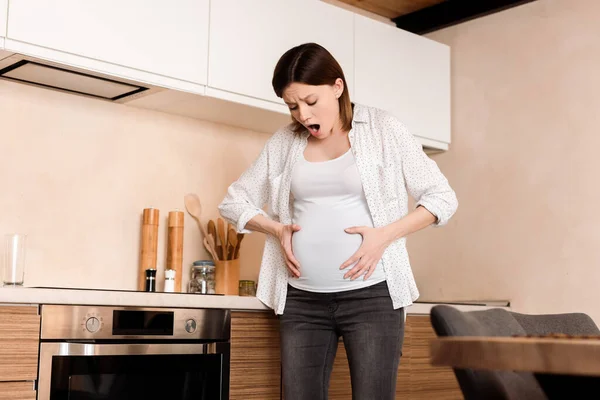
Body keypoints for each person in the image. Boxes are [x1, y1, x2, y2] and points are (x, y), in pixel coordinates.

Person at [218, 42, 458, 400]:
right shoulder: (285, 142)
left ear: (337, 87)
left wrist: (384, 236)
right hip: (302, 301)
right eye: (291, 105)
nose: (301, 114)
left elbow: (442, 198)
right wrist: (276, 228)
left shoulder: (383, 129)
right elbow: (234, 201)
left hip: (374, 297)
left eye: (310, 102)